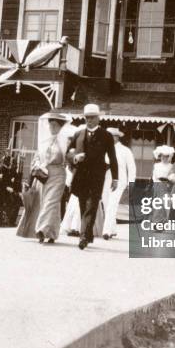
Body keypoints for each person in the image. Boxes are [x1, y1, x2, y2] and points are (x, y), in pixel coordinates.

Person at [67, 104, 118, 250]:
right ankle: (88, 235)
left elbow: (112, 158)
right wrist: (75, 157)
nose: (89, 120)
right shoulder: (78, 134)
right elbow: (68, 153)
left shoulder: (106, 136)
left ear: (98, 118)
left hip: (97, 177)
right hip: (81, 177)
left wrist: (115, 178)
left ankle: (83, 238)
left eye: (92, 117)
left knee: (91, 206)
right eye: (86, 117)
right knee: (83, 205)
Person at [33, 113, 70, 244]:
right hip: (43, 174)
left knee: (51, 202)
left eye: (55, 125)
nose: (52, 128)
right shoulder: (44, 141)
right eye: (50, 125)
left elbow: (69, 157)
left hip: (58, 173)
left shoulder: (65, 141)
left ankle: (41, 230)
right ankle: (52, 234)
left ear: (61, 127)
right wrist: (37, 164)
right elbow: (37, 156)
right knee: (48, 203)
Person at [102, 128, 136, 240]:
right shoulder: (104, 148)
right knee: (107, 204)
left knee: (112, 204)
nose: (111, 138)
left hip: (120, 180)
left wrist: (131, 183)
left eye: (113, 136)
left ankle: (106, 231)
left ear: (118, 137)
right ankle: (112, 229)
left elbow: (131, 167)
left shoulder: (125, 150)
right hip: (106, 179)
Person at [151, 145, 175, 223]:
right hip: (157, 186)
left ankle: (163, 222)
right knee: (157, 204)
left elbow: (172, 177)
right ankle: (156, 222)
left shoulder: (171, 166)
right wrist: (156, 184)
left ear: (168, 157)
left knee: (166, 204)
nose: (164, 158)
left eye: (166, 156)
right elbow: (154, 176)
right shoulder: (156, 165)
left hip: (167, 186)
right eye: (162, 156)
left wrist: (169, 183)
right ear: (160, 156)